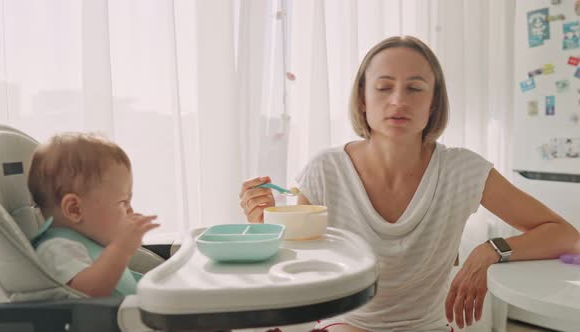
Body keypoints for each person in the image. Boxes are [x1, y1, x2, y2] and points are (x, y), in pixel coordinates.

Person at [239, 36, 579, 331]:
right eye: (384, 87)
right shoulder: (326, 170)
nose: (398, 101)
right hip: (345, 322)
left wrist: (491, 250)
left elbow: (567, 235)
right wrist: (265, 228)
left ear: (432, 103)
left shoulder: (462, 170)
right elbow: (300, 266)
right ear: (362, 99)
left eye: (415, 88)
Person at [27, 133, 159, 297]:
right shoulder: (56, 249)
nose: (130, 211)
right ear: (75, 209)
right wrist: (121, 248)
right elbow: (90, 294)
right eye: (123, 202)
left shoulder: (91, 242)